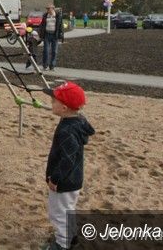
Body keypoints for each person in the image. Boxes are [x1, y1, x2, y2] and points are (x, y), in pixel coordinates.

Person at [42, 82, 94, 250]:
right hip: (73, 178)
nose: (51, 103)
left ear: (64, 108)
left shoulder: (67, 131)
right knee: (67, 209)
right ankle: (71, 238)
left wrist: (55, 178)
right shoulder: (76, 121)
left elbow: (67, 160)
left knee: (59, 213)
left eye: (54, 101)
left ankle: (62, 244)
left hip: (65, 181)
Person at [39, 4, 64, 71]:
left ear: (53, 9)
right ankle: (45, 65)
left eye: (48, 8)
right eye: (47, 9)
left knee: (54, 51)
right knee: (46, 51)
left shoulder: (58, 16)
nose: (47, 10)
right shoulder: (45, 16)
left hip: (55, 35)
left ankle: (52, 66)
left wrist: (61, 34)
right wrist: (41, 34)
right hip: (47, 35)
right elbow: (42, 25)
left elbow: (61, 26)